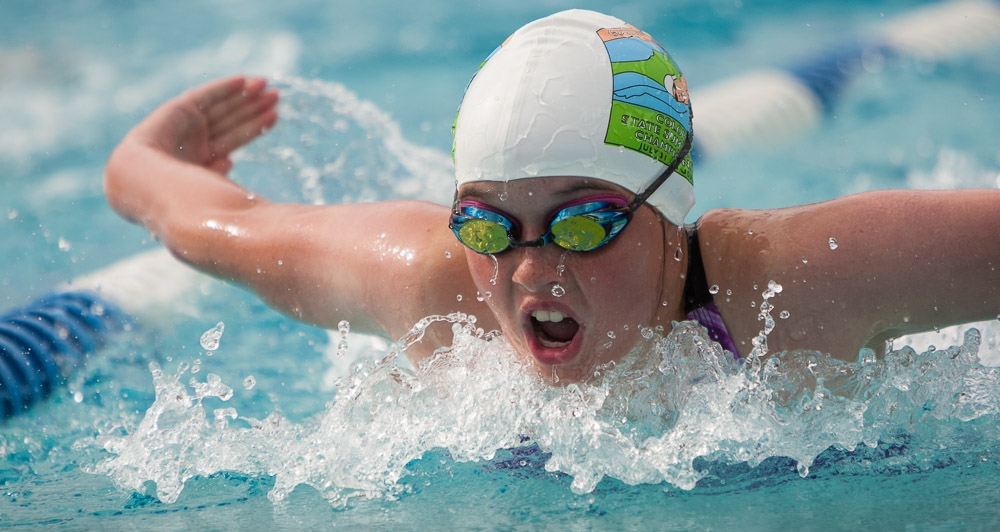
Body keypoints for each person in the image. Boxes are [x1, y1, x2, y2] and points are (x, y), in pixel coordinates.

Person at [104, 9, 1000, 384]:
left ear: (664, 206)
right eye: (488, 224)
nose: (532, 266)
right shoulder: (431, 286)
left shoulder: (793, 283)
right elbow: (205, 219)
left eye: (582, 221)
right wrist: (152, 154)